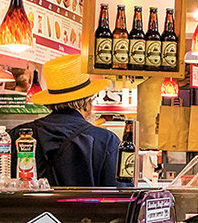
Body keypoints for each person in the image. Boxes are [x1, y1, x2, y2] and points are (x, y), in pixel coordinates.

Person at [9, 54, 120, 188]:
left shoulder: (17, 135)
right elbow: (120, 197)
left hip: (26, 209)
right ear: (86, 103)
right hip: (85, 209)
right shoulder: (105, 141)